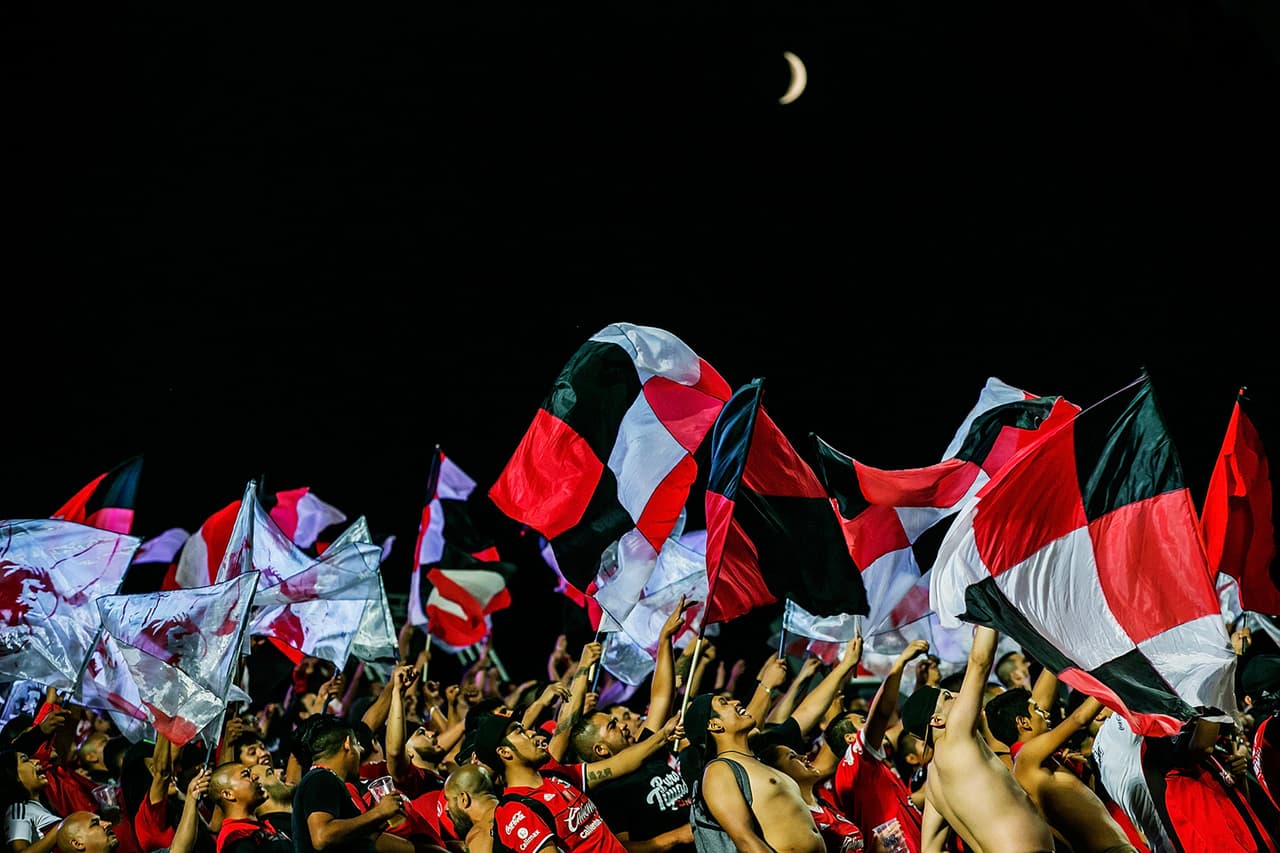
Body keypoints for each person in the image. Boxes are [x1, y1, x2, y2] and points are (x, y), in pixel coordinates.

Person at [900, 625, 1055, 853]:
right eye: (947, 696)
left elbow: (929, 850)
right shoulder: (955, 739)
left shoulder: (933, 783)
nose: (958, 695)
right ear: (937, 720)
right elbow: (980, 663)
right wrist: (984, 612)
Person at [567, 595, 694, 853]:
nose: (623, 726)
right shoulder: (607, 793)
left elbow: (661, 697)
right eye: (612, 726)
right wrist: (676, 838)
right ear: (600, 750)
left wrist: (665, 640)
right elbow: (623, 847)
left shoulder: (647, 748)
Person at [985, 684, 1141, 852]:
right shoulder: (1025, 757)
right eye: (1037, 709)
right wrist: (1108, 683)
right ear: (1023, 722)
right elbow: (1078, 720)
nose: (1045, 714)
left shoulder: (1042, 762)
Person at [680, 691, 824, 853]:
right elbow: (745, 839)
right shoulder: (719, 771)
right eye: (724, 703)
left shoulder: (760, 762)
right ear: (714, 725)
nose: (736, 702)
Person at [819, 638, 926, 853]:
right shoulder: (854, 762)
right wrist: (900, 662)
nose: (869, 724)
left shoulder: (874, 767)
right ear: (851, 738)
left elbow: (907, 727)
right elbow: (881, 713)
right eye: (862, 721)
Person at [291, 715, 411, 853]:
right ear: (348, 744)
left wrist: (381, 819)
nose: (361, 750)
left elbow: (352, 840)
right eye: (357, 744)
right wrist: (379, 812)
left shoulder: (323, 779)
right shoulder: (321, 778)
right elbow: (322, 836)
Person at [759, 744, 868, 853]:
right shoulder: (797, 821)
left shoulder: (825, 805)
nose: (804, 757)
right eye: (792, 757)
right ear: (779, 774)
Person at [206, 762, 291, 852]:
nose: (255, 777)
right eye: (246, 775)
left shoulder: (261, 826)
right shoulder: (234, 837)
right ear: (228, 794)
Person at [1, 750, 62, 853]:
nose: (36, 761)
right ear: (14, 775)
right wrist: (63, 826)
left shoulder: (42, 807)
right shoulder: (18, 809)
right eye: (25, 760)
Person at [441, 764, 500, 853]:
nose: (446, 808)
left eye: (448, 800)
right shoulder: (515, 806)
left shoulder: (480, 835)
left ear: (464, 799)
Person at [243, 766, 291, 839]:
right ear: (258, 786)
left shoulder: (298, 821)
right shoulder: (266, 838)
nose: (280, 771)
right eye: (270, 773)